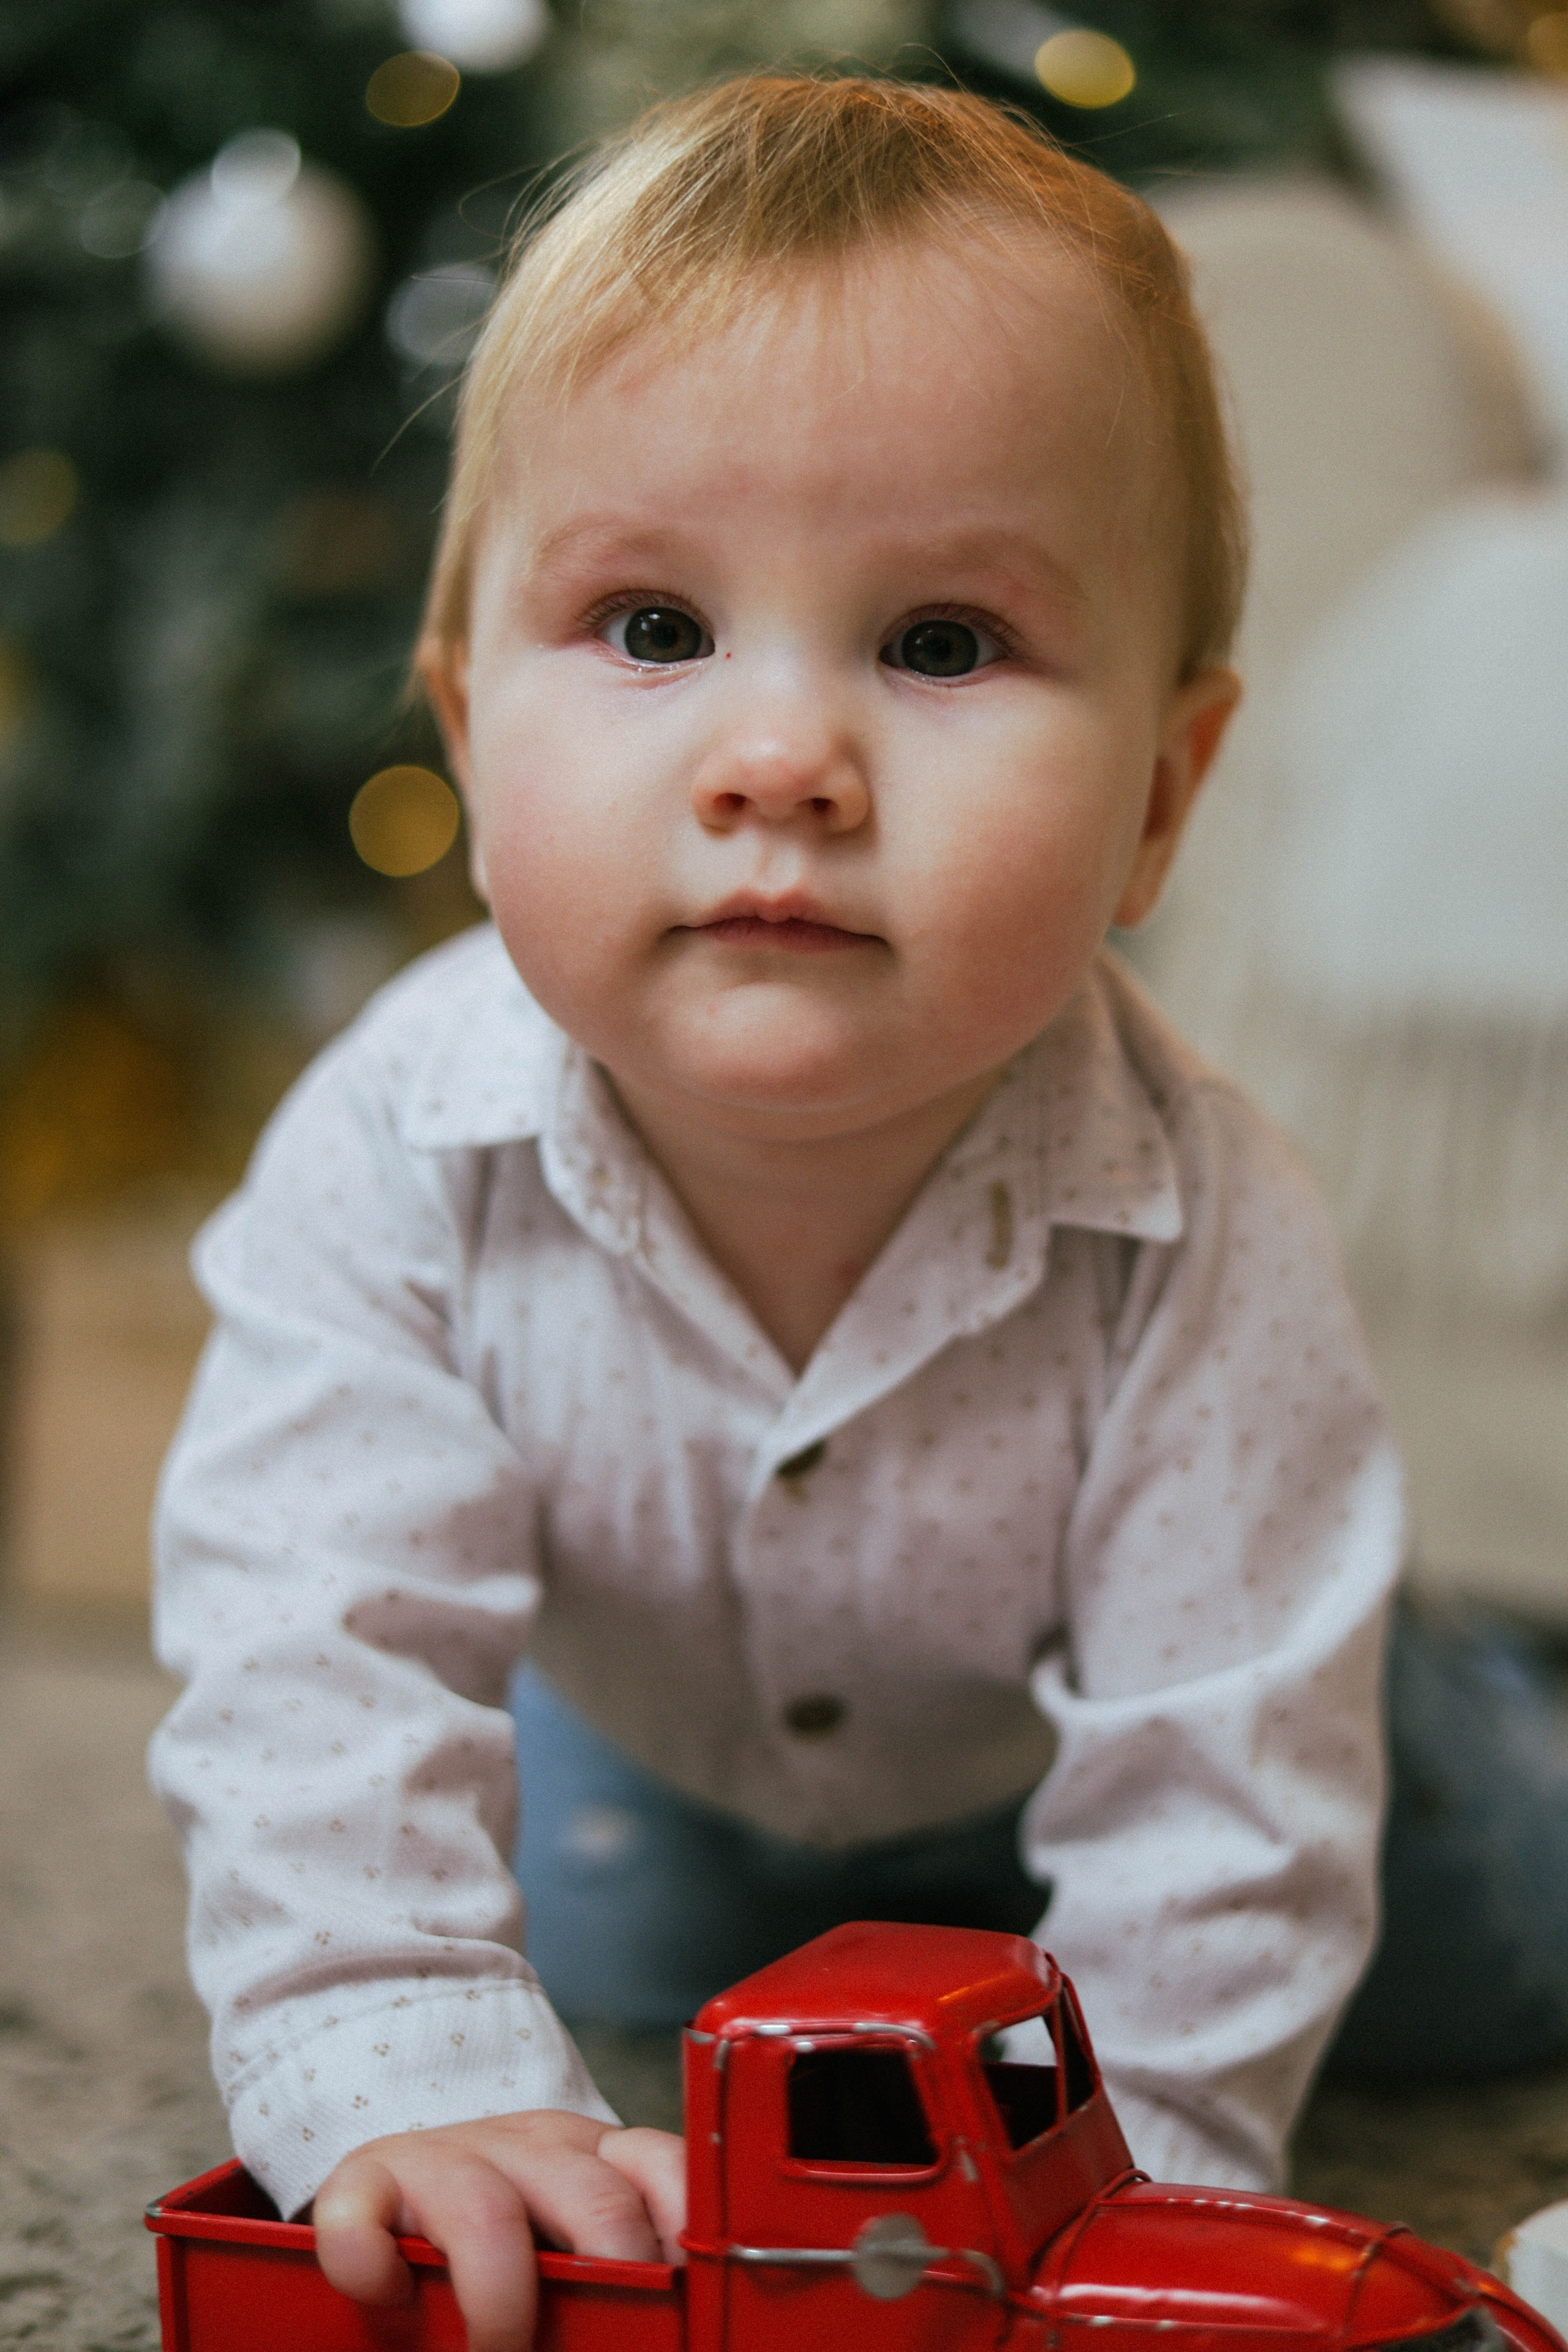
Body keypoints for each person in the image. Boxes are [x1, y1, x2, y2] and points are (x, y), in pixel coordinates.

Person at [149, 75, 1405, 2352]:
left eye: (940, 644)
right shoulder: (393, 1149)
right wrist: (396, 2063)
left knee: (1467, 1926)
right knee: (629, 1957)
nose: (778, 764)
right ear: (466, 733)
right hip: (662, 1767)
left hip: (1122, 1743)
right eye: (652, 626)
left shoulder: (1203, 1217)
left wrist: (1107, 2232)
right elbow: (312, 1652)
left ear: (1159, 797)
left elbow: (1229, 1804)